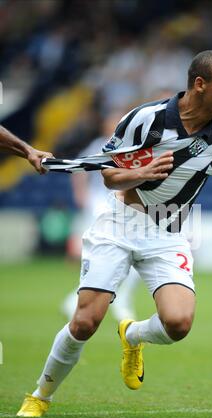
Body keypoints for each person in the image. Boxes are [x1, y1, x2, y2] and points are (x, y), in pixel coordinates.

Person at [17, 50, 212, 417]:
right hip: (121, 223)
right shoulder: (147, 119)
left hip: (170, 232)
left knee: (178, 323)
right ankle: (40, 395)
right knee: (84, 322)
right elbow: (110, 174)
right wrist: (144, 172)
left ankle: (132, 336)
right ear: (199, 84)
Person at [62, 112, 140, 322]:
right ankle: (80, 300)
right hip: (101, 203)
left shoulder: (132, 145)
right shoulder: (99, 145)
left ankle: (115, 299)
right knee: (107, 255)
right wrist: (81, 194)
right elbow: (79, 167)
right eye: (110, 122)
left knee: (132, 254)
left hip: (125, 204)